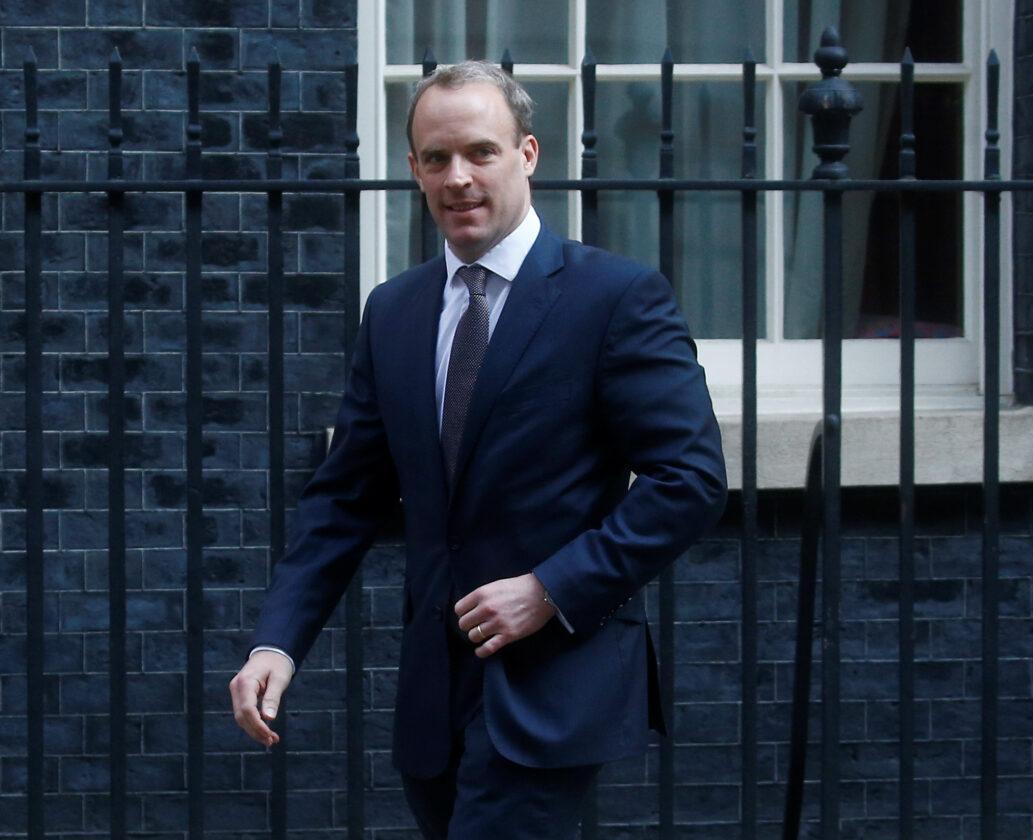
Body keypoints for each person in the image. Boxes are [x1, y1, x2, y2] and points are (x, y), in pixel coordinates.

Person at [229, 60, 727, 839]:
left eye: (480, 153)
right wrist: (278, 642)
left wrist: (551, 588)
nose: (457, 178)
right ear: (414, 169)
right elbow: (345, 497)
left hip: (553, 682)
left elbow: (689, 480)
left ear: (527, 154)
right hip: (434, 695)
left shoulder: (615, 297)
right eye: (436, 159)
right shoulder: (393, 312)